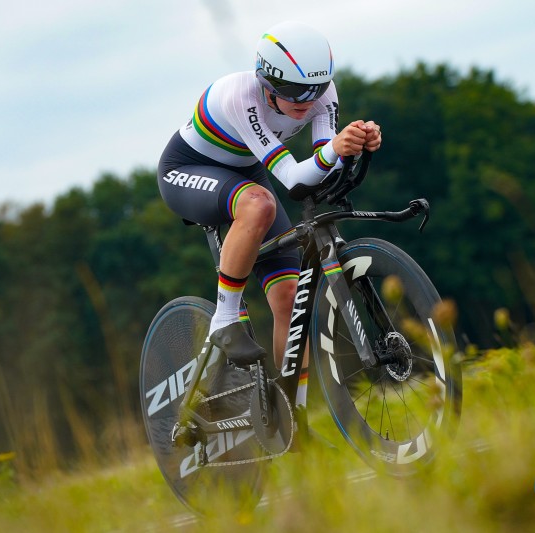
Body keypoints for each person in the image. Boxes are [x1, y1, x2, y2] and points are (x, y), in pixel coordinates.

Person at [157, 21, 382, 414]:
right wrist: (335, 151)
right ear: (266, 82)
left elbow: (319, 169)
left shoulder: (320, 94)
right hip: (188, 169)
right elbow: (295, 180)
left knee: (290, 298)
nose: (305, 101)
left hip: (249, 171)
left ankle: (292, 419)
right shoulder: (241, 95)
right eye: (293, 91)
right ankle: (224, 319)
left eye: (314, 90)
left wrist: (351, 147)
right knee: (259, 204)